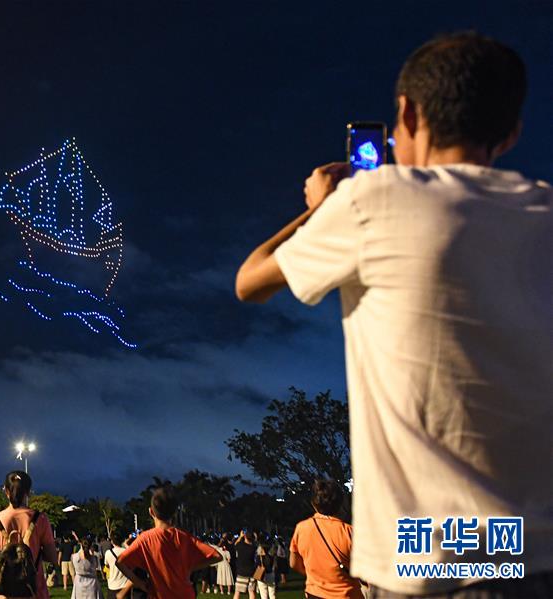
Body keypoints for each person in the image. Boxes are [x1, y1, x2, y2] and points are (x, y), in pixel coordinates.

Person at [235, 31, 553, 598]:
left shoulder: (375, 200)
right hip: (533, 561)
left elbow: (250, 281)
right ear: (511, 133)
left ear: (407, 114)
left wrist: (323, 208)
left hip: (422, 563)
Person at [115, 486, 221, 599]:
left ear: (151, 511)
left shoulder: (145, 539)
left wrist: (140, 583)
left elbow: (120, 562)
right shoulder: (183, 537)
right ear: (174, 513)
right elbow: (216, 556)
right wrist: (189, 568)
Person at [0, 471, 58, 599]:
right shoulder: (40, 519)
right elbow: (52, 556)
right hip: (33, 591)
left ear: (6, 491)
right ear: (28, 492)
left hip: (5, 592)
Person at [289, 481, 362, 599]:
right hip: (347, 594)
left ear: (314, 503)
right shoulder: (349, 532)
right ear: (340, 503)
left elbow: (294, 563)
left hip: (314, 593)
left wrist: (315, 576)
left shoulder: (301, 528)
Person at [231, 531, 256, 599]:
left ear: (245, 536)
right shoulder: (253, 547)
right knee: (251, 591)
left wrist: (240, 536)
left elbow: (235, 544)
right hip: (252, 572)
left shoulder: (240, 546)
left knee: (237, 592)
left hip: (241, 572)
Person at [102, 535, 128, 599]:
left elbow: (107, 565)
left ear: (112, 542)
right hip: (124, 585)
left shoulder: (108, 553)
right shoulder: (126, 551)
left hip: (112, 585)